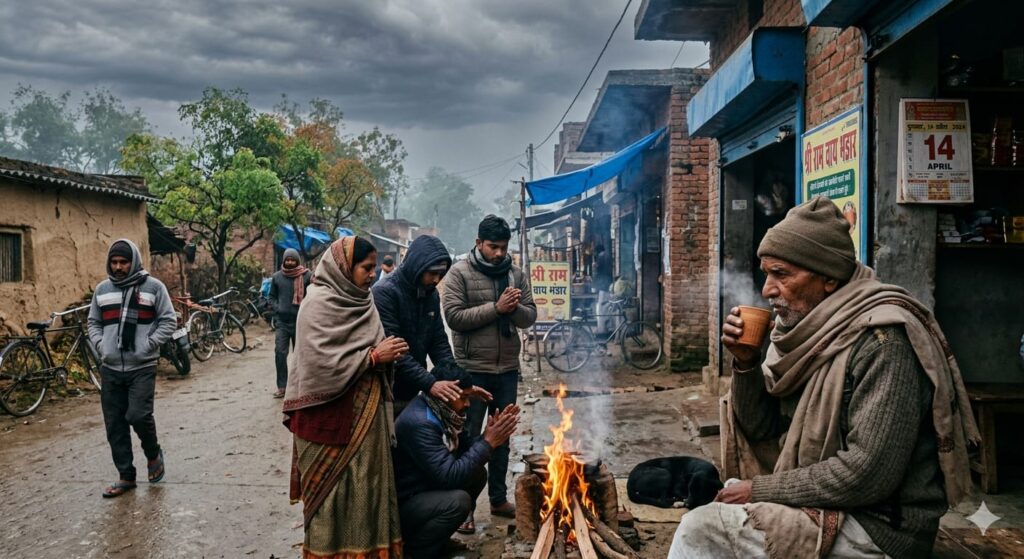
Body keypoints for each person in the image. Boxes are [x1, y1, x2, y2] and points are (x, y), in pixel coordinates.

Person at [668, 197, 979, 558]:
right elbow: (762, 431)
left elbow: (867, 474)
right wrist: (746, 364)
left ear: (829, 277)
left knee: (702, 528)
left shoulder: (885, 342)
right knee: (724, 496)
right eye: (766, 273)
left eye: (781, 274)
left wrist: (760, 490)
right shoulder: (806, 333)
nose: (767, 289)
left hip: (879, 528)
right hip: (833, 504)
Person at [283, 236, 410, 559]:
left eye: (372, 268)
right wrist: (372, 358)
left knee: (367, 491)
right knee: (331, 498)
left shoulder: (364, 301)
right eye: (365, 268)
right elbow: (317, 366)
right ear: (343, 267)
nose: (371, 275)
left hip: (367, 419)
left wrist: (384, 357)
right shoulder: (317, 304)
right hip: (325, 420)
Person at [442, 214, 537, 521]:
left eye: (503, 247)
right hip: (471, 369)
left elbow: (530, 316)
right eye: (493, 246)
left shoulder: (516, 274)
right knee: (467, 438)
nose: (499, 253)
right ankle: (464, 506)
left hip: (507, 369)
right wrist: (496, 309)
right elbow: (454, 317)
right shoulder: (459, 274)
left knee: (502, 437)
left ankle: (498, 498)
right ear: (478, 243)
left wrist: (513, 309)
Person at [392, 362, 521, 558]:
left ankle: (439, 540)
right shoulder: (422, 423)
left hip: (425, 487)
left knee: (477, 474)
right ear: (445, 394)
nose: (468, 404)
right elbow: (449, 476)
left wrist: (489, 437)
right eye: (463, 398)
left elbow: (467, 451)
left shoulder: (445, 412)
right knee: (458, 502)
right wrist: (487, 443)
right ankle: (416, 551)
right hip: (405, 504)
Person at [87, 238, 177, 498]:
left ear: (134, 261)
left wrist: (149, 344)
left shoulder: (153, 288)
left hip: (142, 365)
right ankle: (126, 476)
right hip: (111, 367)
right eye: (114, 262)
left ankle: (153, 453)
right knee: (114, 423)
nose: (118, 267)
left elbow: (168, 320)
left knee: (138, 415)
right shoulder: (103, 290)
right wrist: (101, 346)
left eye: (123, 262)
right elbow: (93, 322)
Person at [373, 235, 474, 417]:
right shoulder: (385, 292)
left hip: (413, 389)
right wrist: (430, 383)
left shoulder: (431, 294)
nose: (436, 280)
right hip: (387, 391)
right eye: (432, 273)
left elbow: (438, 341)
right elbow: (395, 351)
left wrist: (458, 384)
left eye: (440, 274)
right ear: (416, 266)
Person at [268, 248, 312, 398]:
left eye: (293, 260)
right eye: (288, 260)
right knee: (280, 353)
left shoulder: (307, 276)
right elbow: (271, 297)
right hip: (282, 322)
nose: (290, 262)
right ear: (284, 260)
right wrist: (278, 308)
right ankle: (282, 387)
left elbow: (313, 295)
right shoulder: (277, 277)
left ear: (297, 261)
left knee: (301, 354)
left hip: (301, 322)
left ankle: (302, 385)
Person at [592, 244, 613, 334]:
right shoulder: (607, 256)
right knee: (607, 308)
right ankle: (607, 327)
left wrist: (595, 266)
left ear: (597, 251)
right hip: (608, 285)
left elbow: (599, 271)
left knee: (600, 308)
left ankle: (602, 329)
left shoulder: (601, 257)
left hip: (603, 286)